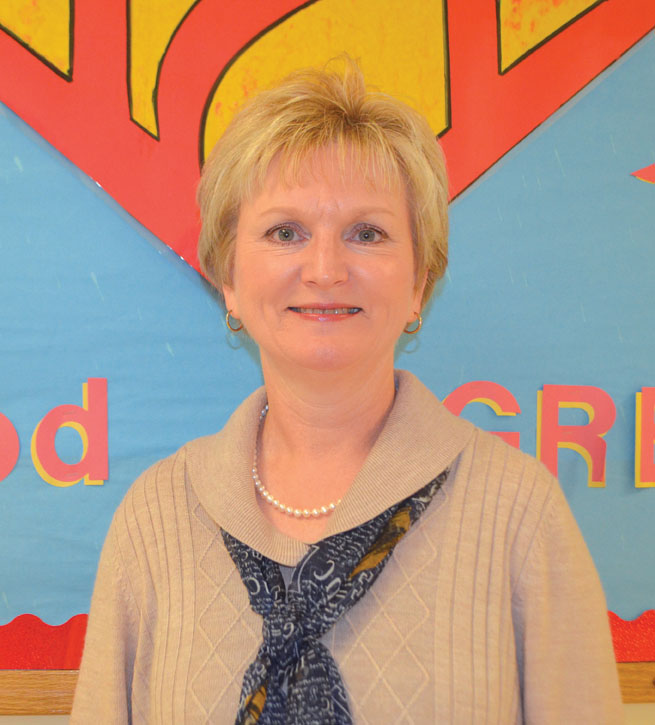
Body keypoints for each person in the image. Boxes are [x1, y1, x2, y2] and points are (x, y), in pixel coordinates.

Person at [71, 61, 623, 724]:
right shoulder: (155, 520)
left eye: (367, 233)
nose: (326, 269)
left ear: (419, 282)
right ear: (230, 280)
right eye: (285, 232)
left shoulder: (518, 514)